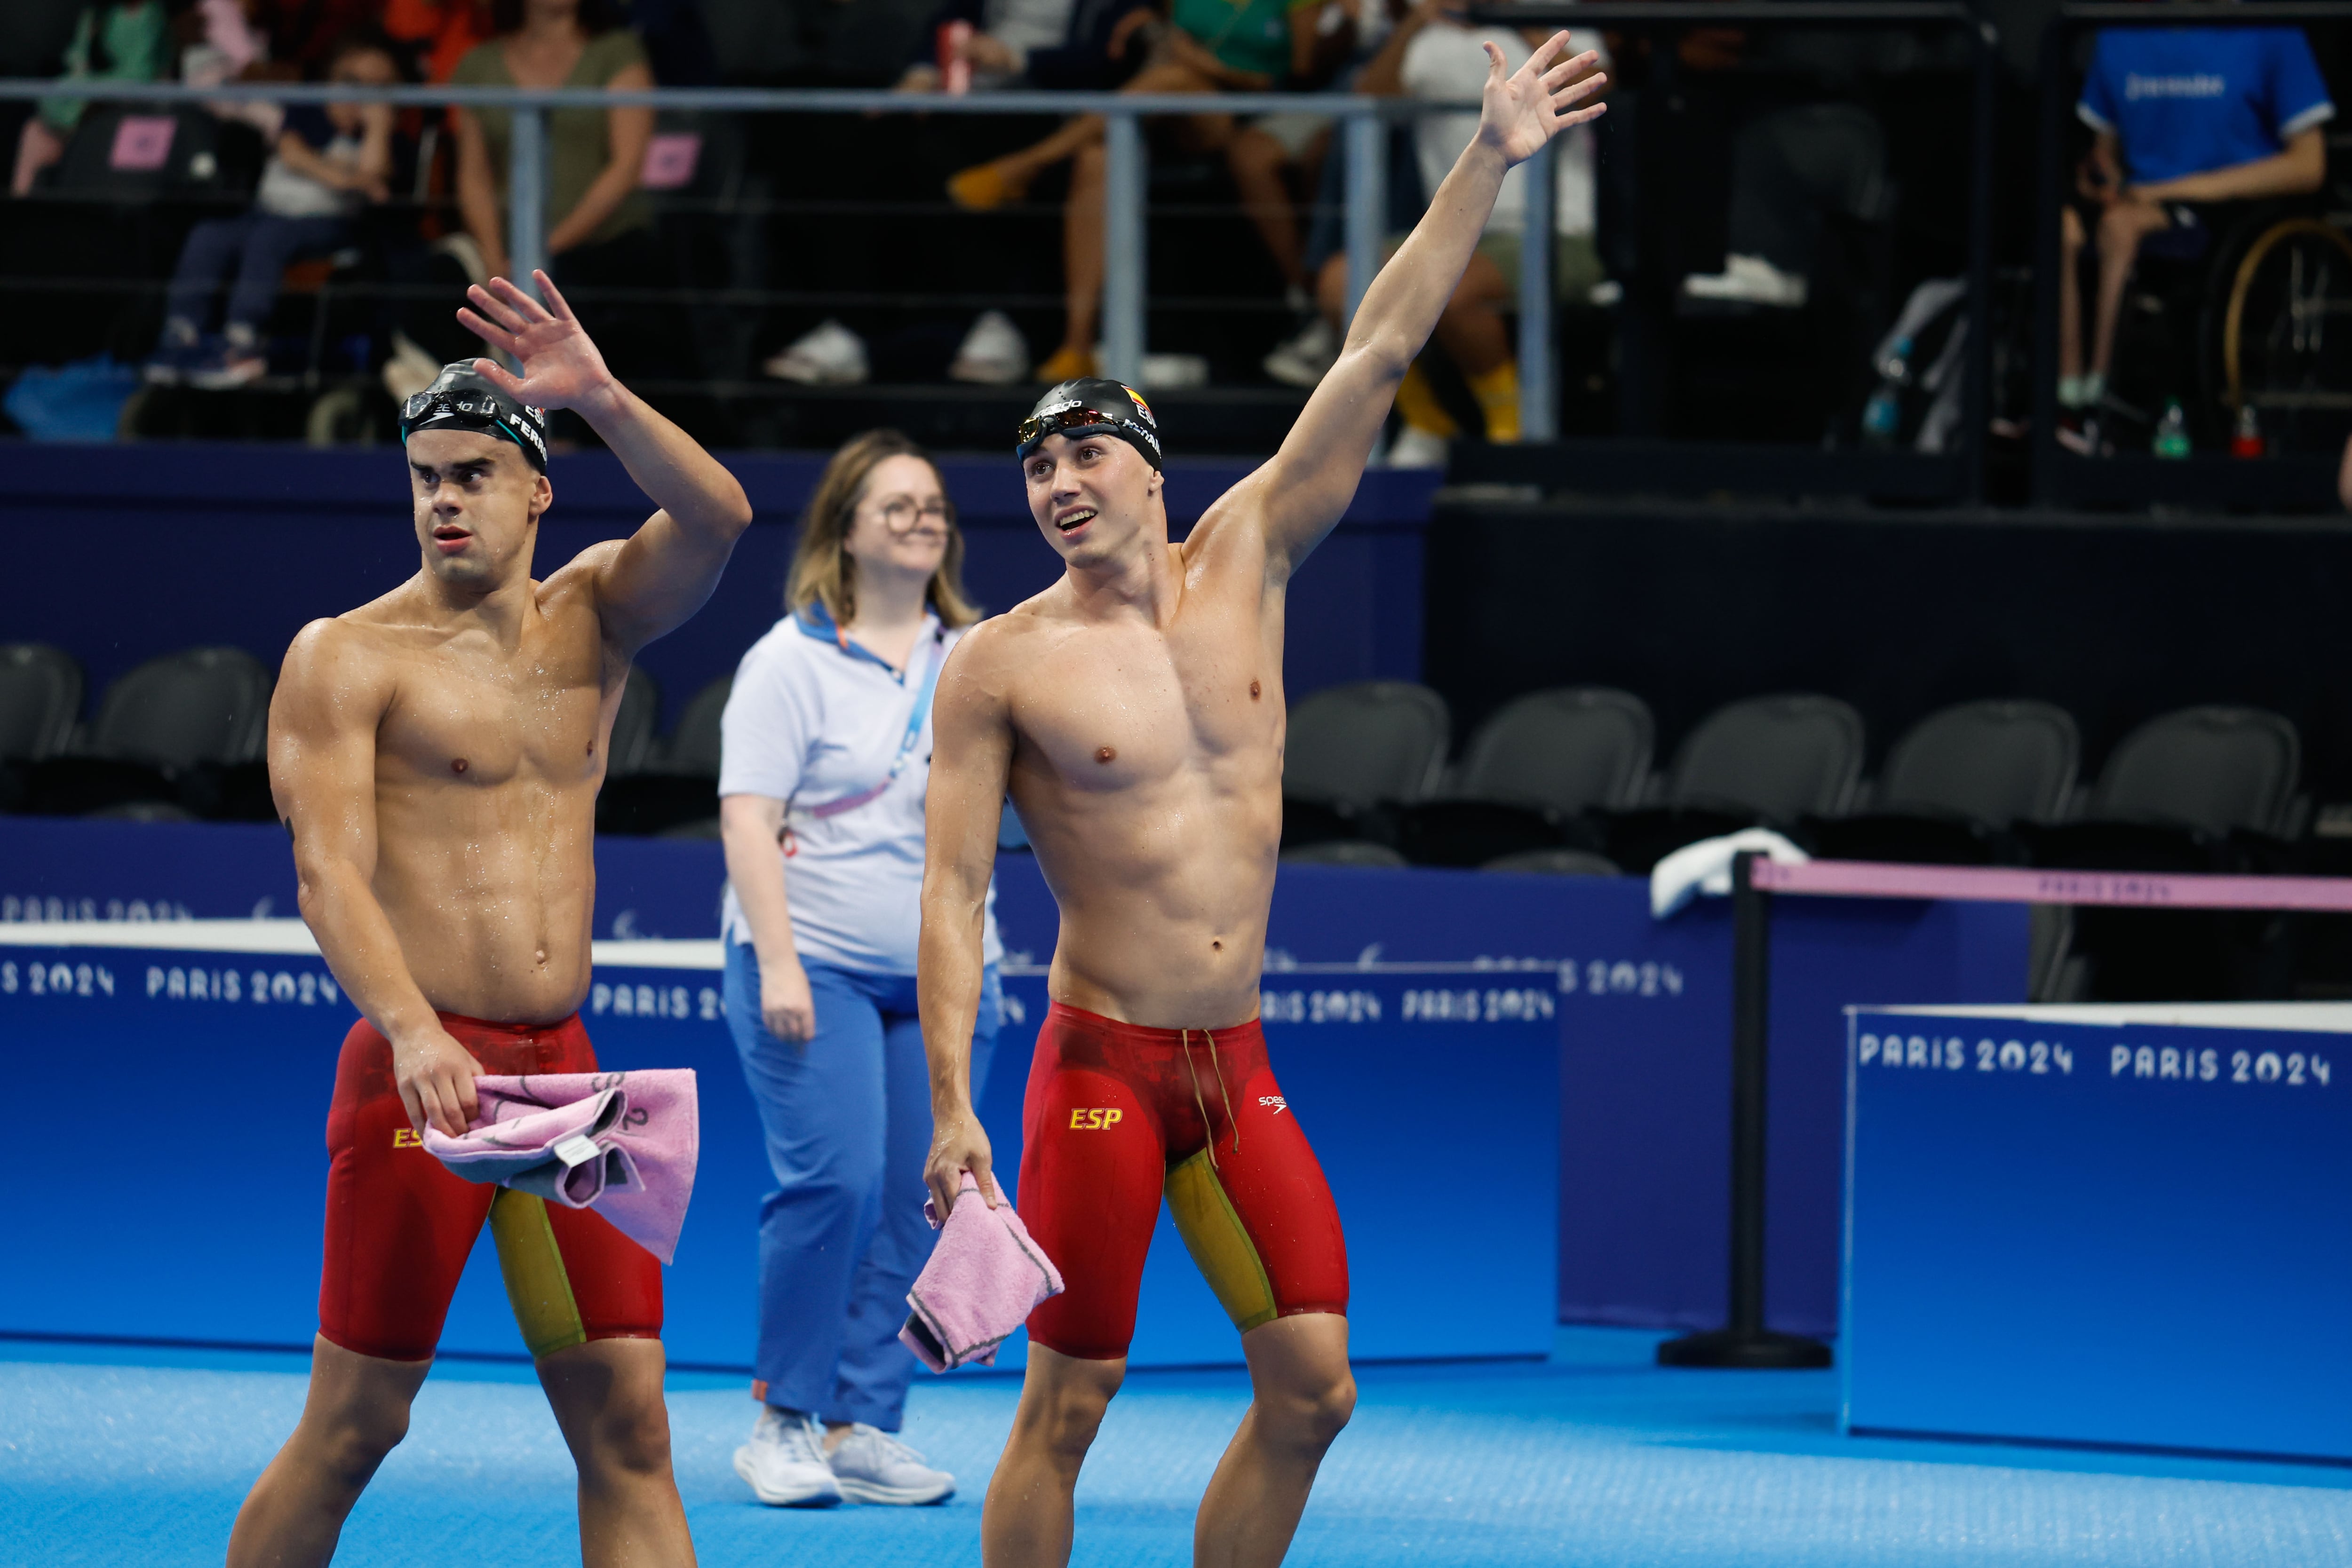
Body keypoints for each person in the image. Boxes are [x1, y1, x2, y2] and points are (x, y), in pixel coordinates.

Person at [917, 35, 1604, 1568]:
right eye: (1035, 468)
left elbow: (1374, 350)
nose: (1058, 482)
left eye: (1086, 451)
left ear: (1152, 469)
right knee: (1068, 1404)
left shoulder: (1251, 553)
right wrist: (956, 1100)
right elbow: (952, 893)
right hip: (1097, 1063)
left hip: (1235, 1060)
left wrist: (1487, 156)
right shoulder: (997, 666)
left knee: (1314, 1390)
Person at [226, 270, 752, 1568]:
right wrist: (407, 1027)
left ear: (538, 489)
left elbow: (721, 513)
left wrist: (604, 395)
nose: (443, 500)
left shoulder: (598, 617)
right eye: (425, 477)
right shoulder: (346, 655)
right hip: (426, 1069)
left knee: (632, 1423)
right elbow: (328, 875)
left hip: (566, 1070)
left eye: (471, 473)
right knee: (358, 1421)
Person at [717, 431, 1006, 1509]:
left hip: (946, 979)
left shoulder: (979, 655)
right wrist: (781, 963)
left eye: (932, 505)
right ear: (844, 530)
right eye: (895, 506)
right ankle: (781, 1417)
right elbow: (748, 819)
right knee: (831, 1182)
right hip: (813, 969)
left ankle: (862, 1423)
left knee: (909, 1200)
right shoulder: (785, 660)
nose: (921, 520)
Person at [1270, 0, 1605, 465]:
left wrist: (1515, 18)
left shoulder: (1556, 16)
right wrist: (1413, 21)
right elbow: (1368, 98)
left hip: (1557, 230)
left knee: (1452, 289)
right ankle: (1429, 424)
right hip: (1457, 228)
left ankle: (1513, 437)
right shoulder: (1427, 39)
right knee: (1340, 283)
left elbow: (1594, 92)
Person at [942, 0, 1336, 383]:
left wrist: (1204, 65)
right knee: (1100, 154)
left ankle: (1027, 164)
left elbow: (1298, 76)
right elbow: (1156, 41)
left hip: (1250, 113)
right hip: (1169, 107)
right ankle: (1076, 344)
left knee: (1175, 80)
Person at [2058, 22, 2333, 439]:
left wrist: (2169, 190)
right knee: (2063, 228)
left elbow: (2310, 167)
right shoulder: (2119, 37)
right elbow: (2104, 151)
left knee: (2121, 228)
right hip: (2138, 198)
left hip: (2224, 210)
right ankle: (2062, 393)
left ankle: (2100, 401)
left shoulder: (2272, 33)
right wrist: (2101, 179)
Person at [145, 30, 405, 390]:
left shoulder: (382, 136)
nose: (361, 95)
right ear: (332, 79)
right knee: (210, 235)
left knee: (270, 238)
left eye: (379, 89)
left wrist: (378, 128)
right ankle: (181, 332)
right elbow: (292, 154)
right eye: (352, 81)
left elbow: (376, 179)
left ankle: (242, 340)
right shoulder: (306, 112)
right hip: (267, 211)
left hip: (326, 223)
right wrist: (349, 178)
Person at [450, 0, 657, 364]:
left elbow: (626, 166)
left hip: (605, 247)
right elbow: (474, 175)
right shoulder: (478, 63)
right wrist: (495, 258)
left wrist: (542, 252)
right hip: (507, 254)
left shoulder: (617, 51)